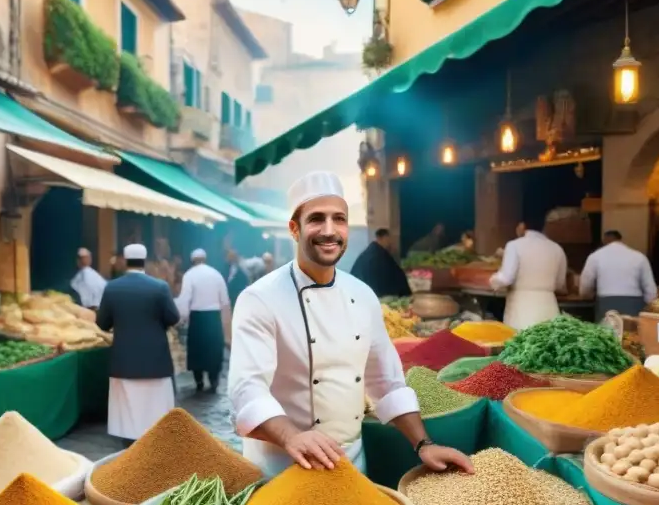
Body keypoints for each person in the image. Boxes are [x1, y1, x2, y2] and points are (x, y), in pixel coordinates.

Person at [228, 171, 474, 478]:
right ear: (294, 228)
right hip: (283, 469)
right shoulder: (259, 299)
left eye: (339, 219)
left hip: (350, 465)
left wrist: (424, 444)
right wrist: (292, 436)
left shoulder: (362, 294)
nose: (329, 231)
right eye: (317, 218)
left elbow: (386, 382)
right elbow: (247, 391)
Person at [97, 244, 180, 441]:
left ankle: (130, 445)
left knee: (128, 413)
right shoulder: (160, 287)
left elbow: (102, 323)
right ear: (145, 261)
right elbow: (173, 317)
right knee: (155, 408)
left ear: (125, 261)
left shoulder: (112, 288)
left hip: (125, 361)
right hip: (156, 361)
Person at [490, 218, 568, 330]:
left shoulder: (514, 245)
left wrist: (492, 280)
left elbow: (506, 278)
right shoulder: (557, 249)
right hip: (549, 308)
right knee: (546, 343)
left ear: (522, 226)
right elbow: (560, 284)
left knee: (520, 342)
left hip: (522, 307)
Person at [176, 249, 231, 393]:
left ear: (193, 260)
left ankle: (199, 381)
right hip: (213, 317)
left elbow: (184, 299)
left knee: (197, 351)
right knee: (214, 350)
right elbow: (225, 300)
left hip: (197, 318)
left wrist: (182, 318)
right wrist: (227, 324)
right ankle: (214, 381)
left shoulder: (189, 275)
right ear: (205, 259)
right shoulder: (216, 274)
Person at [579, 230, 657, 320]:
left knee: (606, 332)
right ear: (620, 240)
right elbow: (650, 289)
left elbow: (586, 285)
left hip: (606, 303)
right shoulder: (639, 257)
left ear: (604, 240)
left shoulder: (595, 256)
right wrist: (649, 309)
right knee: (632, 332)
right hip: (633, 304)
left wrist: (587, 296)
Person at [350, 228, 412, 298]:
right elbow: (394, 276)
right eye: (389, 239)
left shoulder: (371, 252)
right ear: (383, 238)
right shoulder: (378, 256)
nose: (390, 242)